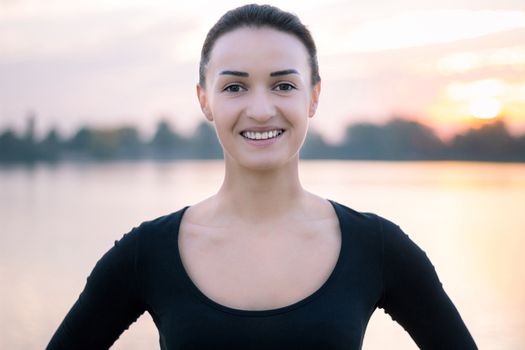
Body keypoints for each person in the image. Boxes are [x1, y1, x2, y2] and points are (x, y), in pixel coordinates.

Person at [46, 4, 477, 349]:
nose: (260, 109)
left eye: (283, 85)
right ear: (205, 100)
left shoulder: (378, 248)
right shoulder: (147, 253)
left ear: (314, 96)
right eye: (234, 87)